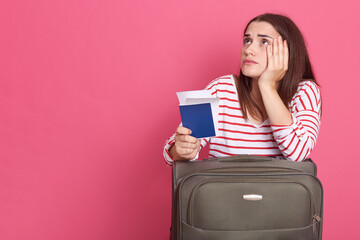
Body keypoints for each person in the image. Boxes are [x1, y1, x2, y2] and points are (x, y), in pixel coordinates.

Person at [163, 13, 321, 166]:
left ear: (287, 52)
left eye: (264, 42)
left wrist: (267, 86)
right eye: (247, 40)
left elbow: (298, 153)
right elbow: (170, 151)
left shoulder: (305, 91)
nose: (248, 49)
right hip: (224, 191)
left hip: (280, 193)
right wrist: (182, 149)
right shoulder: (219, 89)